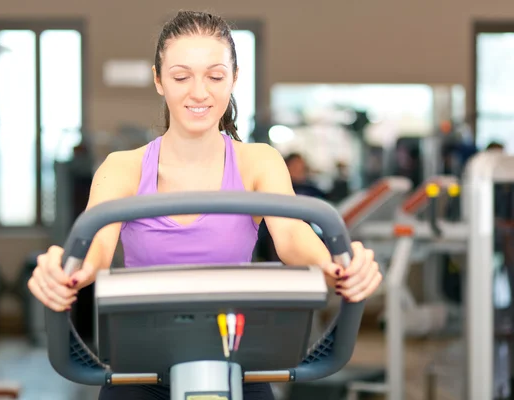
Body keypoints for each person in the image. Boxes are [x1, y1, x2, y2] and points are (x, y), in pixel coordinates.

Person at [28, 10, 382, 400]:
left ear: (234, 79)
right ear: (159, 80)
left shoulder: (258, 162)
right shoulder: (122, 168)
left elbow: (294, 238)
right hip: (140, 377)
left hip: (239, 368)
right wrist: (62, 275)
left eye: (215, 76)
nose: (199, 92)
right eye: (181, 76)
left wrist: (341, 270)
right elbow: (92, 252)